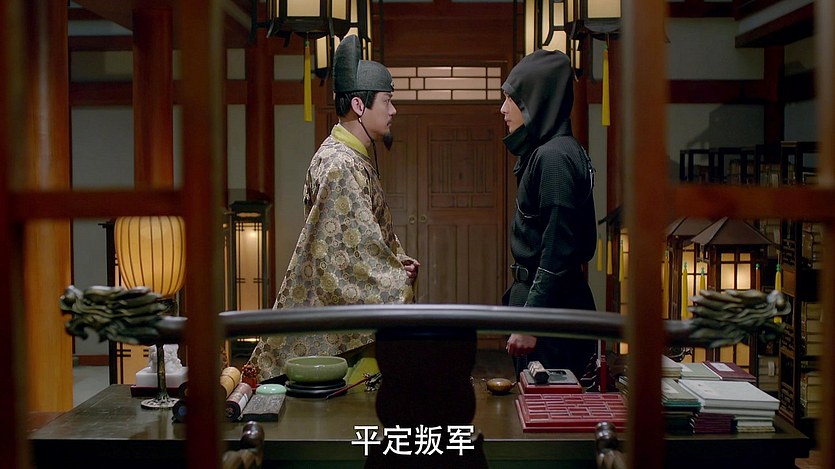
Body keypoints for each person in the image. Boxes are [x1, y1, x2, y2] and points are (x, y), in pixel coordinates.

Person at [248, 35, 419, 383]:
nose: (393, 111)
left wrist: (396, 262)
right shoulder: (340, 163)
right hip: (342, 332)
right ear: (359, 105)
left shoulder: (351, 156)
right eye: (387, 101)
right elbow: (343, 255)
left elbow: (363, 238)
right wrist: (393, 279)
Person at [500, 49, 597, 381]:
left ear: (535, 101)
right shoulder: (548, 151)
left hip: (551, 312)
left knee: (550, 405)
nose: (503, 109)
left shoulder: (555, 157)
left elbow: (557, 250)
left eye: (512, 99)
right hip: (546, 305)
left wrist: (532, 321)